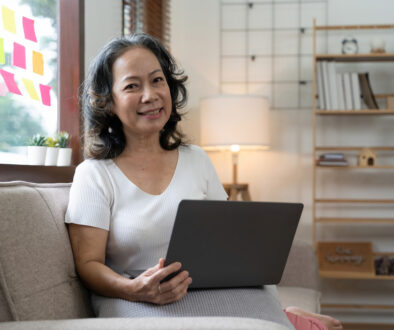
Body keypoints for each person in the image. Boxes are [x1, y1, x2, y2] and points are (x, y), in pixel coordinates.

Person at [65, 33, 342, 330]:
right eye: (132, 86)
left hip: (211, 291)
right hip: (134, 298)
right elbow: (88, 263)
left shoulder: (196, 159)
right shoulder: (94, 174)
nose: (150, 95)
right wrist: (132, 289)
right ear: (108, 103)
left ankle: (283, 314)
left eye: (158, 80)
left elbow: (228, 240)